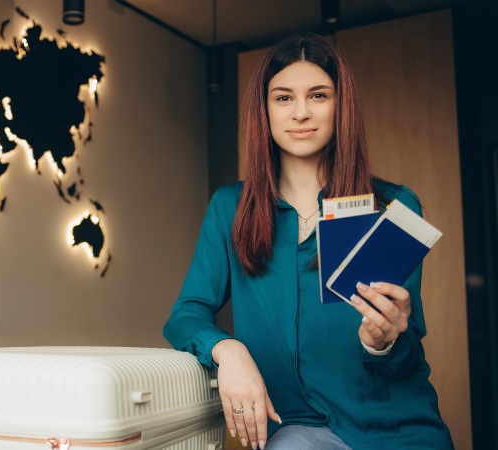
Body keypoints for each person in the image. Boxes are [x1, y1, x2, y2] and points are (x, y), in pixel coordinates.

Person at [163, 33, 453, 450]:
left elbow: (406, 352)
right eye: (283, 98)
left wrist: (383, 342)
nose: (300, 112)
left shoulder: (393, 206)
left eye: (318, 95)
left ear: (341, 106)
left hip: (400, 429)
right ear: (264, 109)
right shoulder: (230, 208)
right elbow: (185, 314)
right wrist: (228, 350)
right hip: (301, 431)